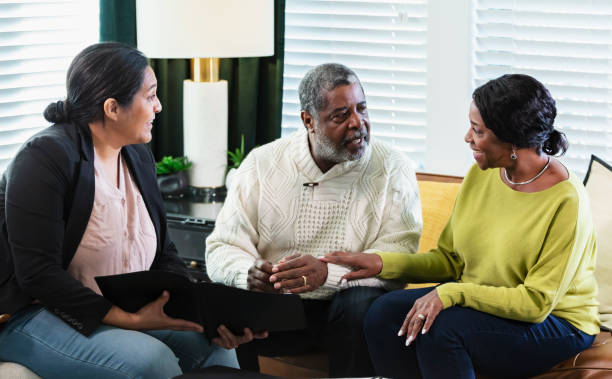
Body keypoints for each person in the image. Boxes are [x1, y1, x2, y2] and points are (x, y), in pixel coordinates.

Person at [0, 42, 265, 379]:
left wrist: (206, 316)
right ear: (112, 108)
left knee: (212, 346)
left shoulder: (137, 155)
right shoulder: (44, 159)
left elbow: (164, 253)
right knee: (150, 361)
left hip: (119, 307)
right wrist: (129, 320)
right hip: (31, 313)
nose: (159, 106)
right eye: (150, 95)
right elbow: (37, 275)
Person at [322, 74, 599, 378]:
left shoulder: (567, 201)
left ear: (512, 140)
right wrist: (380, 263)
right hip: (487, 303)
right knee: (383, 314)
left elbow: (535, 303)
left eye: (477, 130)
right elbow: (450, 260)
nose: (467, 137)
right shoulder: (483, 174)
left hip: (556, 322)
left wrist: (451, 294)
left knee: (443, 329)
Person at [205, 63, 422, 377]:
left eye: (362, 109)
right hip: (279, 310)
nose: (357, 123)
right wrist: (247, 273)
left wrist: (328, 274)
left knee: (363, 304)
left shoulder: (392, 167)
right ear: (308, 120)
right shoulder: (262, 163)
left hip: (349, 309)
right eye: (341, 115)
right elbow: (221, 249)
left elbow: (398, 260)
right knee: (223, 304)